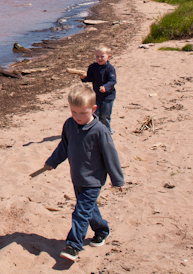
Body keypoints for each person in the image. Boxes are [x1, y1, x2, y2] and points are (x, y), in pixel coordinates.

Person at [45, 85, 124, 262]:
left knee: (80, 212)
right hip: (77, 177)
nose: (78, 117)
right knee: (88, 209)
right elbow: (63, 147)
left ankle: (73, 246)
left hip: (94, 180)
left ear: (94, 109)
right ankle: (102, 230)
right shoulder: (69, 125)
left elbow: (111, 156)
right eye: (74, 112)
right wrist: (52, 162)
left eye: (83, 113)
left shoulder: (100, 131)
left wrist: (117, 180)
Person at [79, 45, 116, 133]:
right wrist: (84, 78)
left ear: (108, 57)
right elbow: (90, 78)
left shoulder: (110, 69)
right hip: (96, 96)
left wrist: (105, 87)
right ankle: (95, 129)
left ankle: (107, 130)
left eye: (102, 56)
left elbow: (112, 81)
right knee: (95, 113)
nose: (99, 58)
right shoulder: (93, 67)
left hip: (108, 96)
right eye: (97, 56)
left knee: (105, 115)